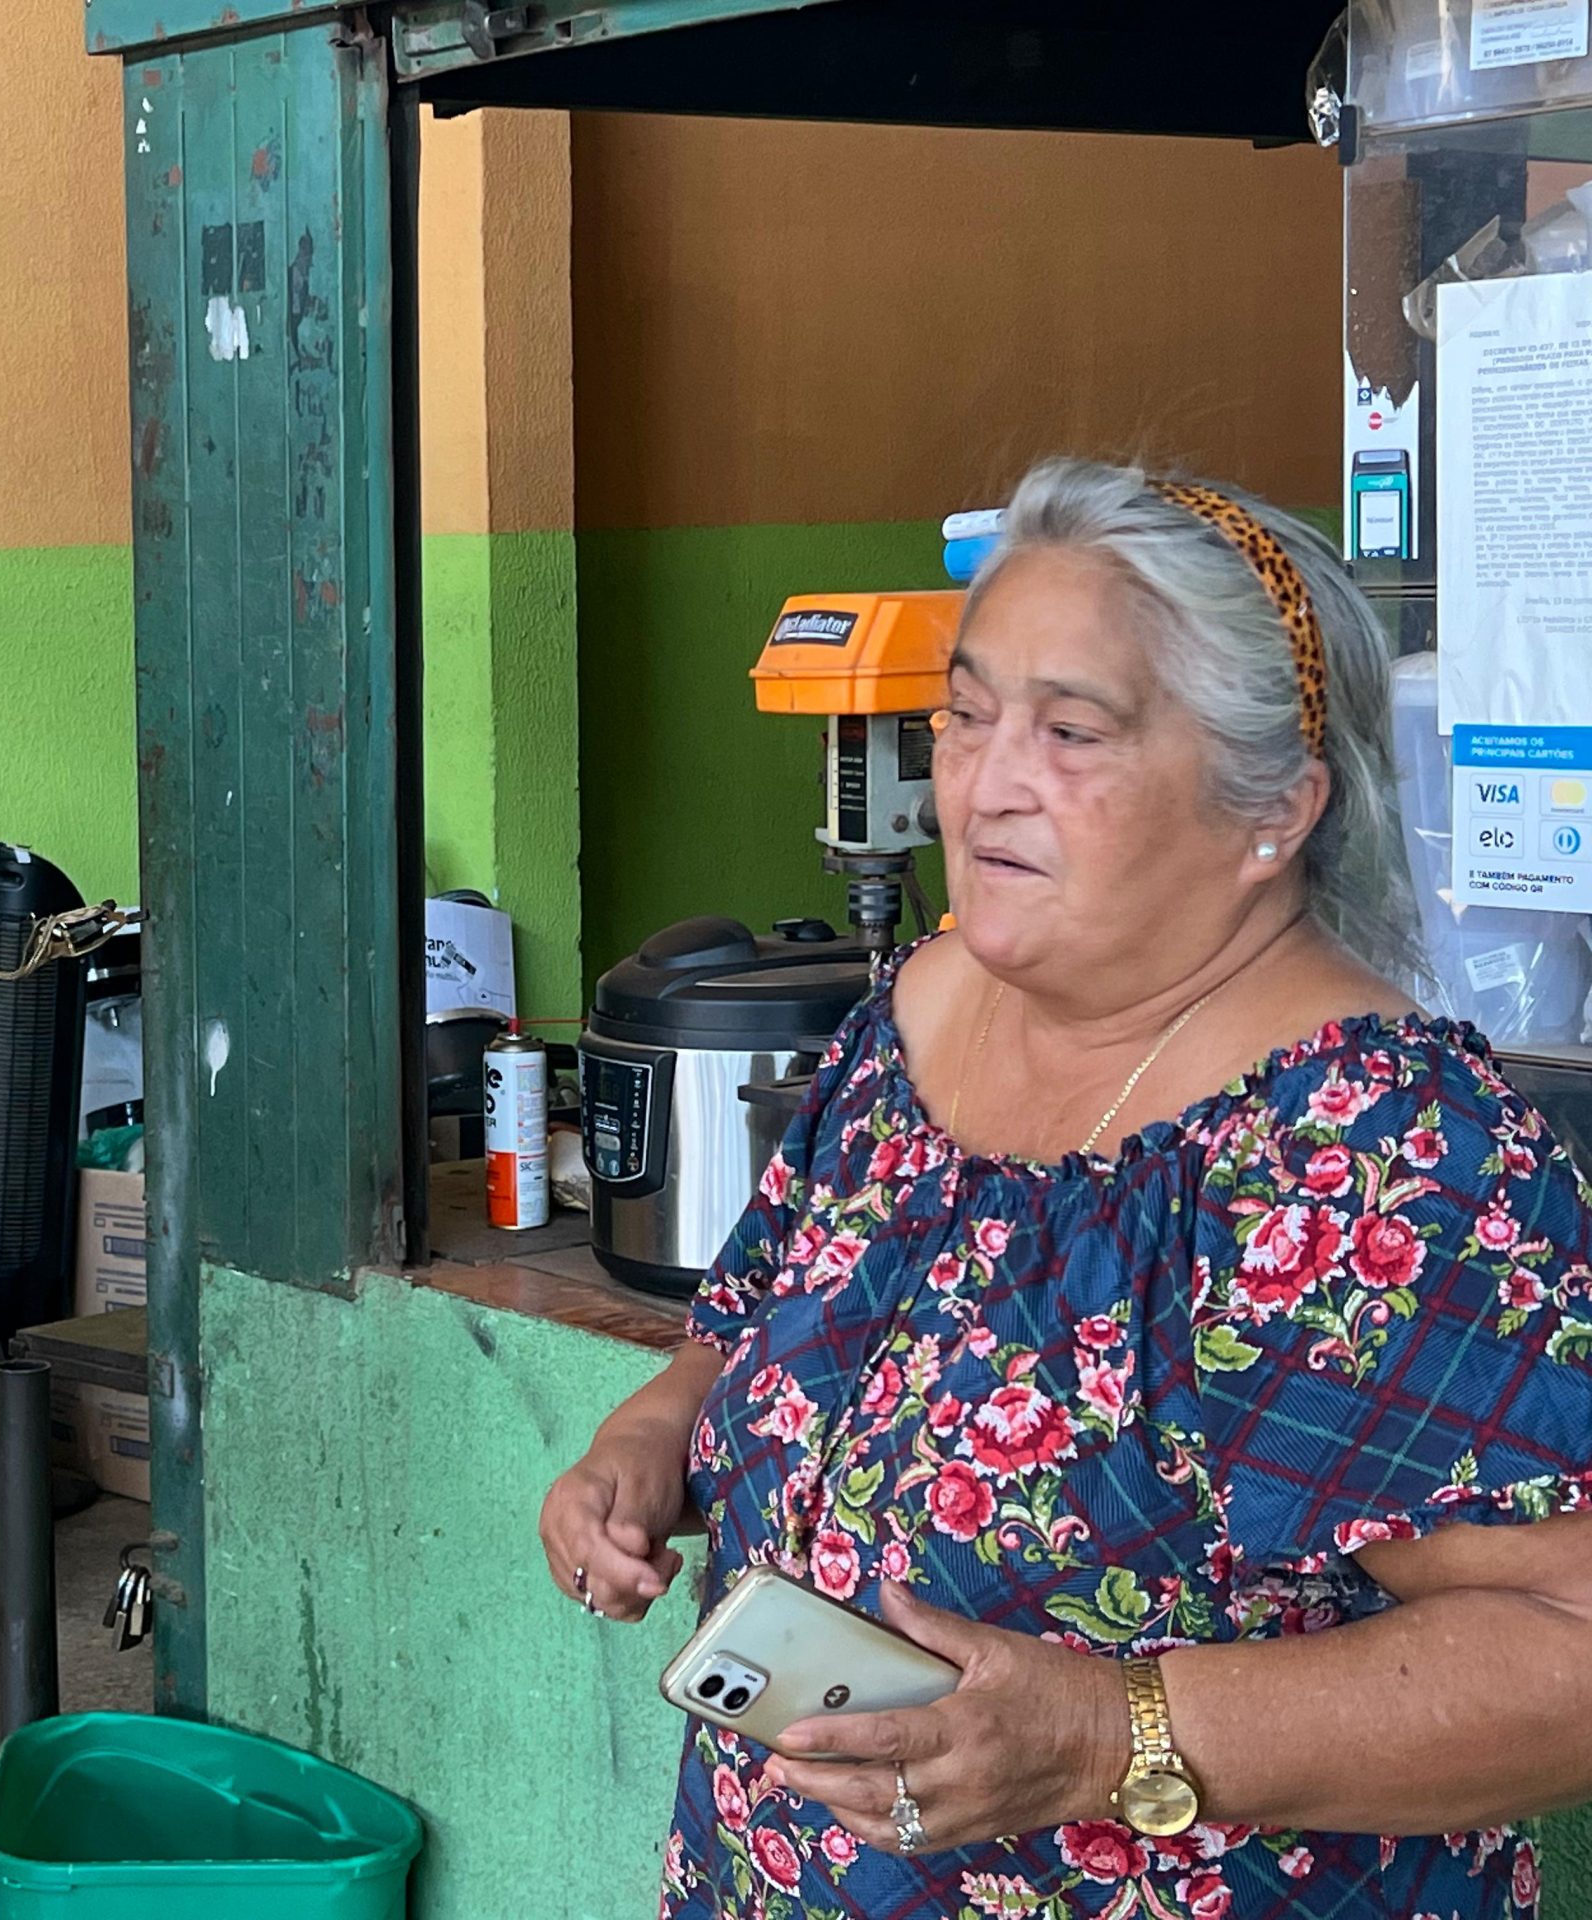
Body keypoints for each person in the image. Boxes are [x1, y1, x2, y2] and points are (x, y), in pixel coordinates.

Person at [540, 458, 1592, 1918]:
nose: (984, 783)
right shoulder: (923, 1008)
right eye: (966, 715)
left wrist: (1114, 1736)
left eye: (1073, 731)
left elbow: (1567, 1645)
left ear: (1273, 809)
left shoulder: (1369, 1150)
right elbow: (756, 1311)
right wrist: (653, 1431)